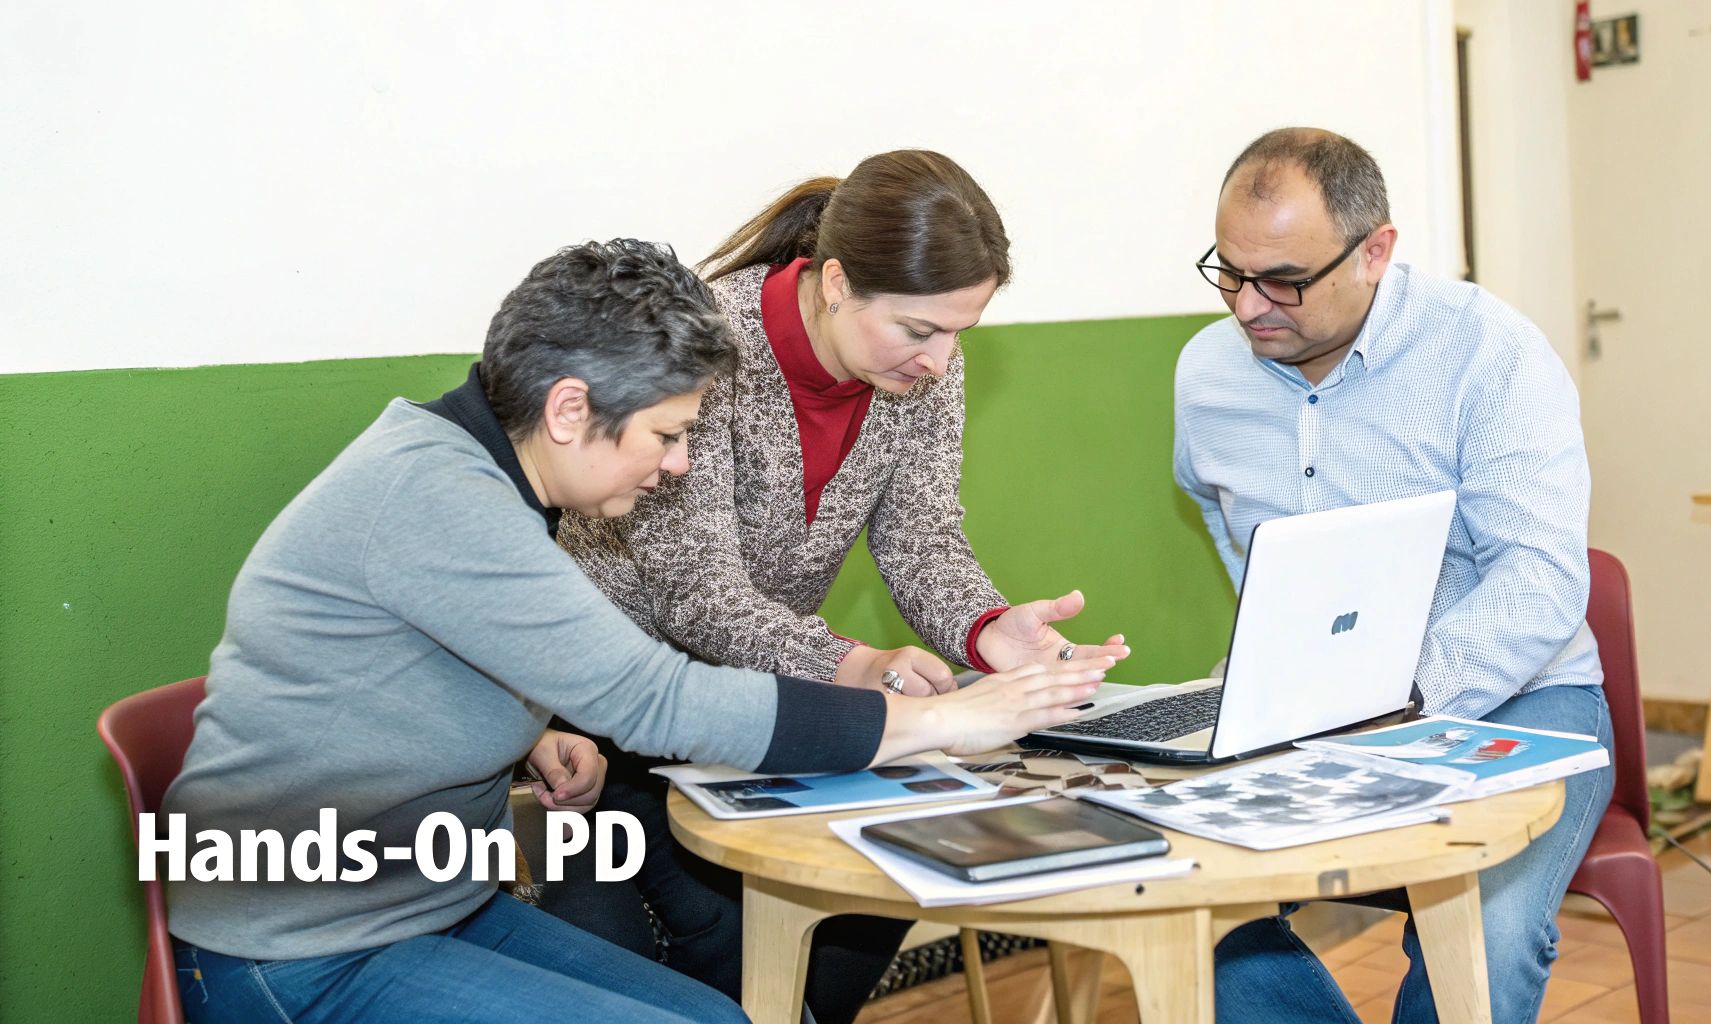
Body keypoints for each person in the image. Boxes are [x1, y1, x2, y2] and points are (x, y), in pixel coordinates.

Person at [160, 239, 1112, 1024]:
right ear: (571, 409)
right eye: (666, 434)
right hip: (303, 954)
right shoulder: (439, 496)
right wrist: (948, 724)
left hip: (430, 905)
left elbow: (394, 662)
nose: (679, 463)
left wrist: (529, 727)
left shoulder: (471, 465)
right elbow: (655, 699)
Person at [546, 151, 1131, 1024]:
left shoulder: (923, 363)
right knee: (652, 970)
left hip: (763, 708)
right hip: (596, 714)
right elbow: (696, 594)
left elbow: (923, 536)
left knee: (851, 918)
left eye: (962, 331)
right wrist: (854, 662)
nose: (940, 360)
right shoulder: (705, 345)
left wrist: (989, 627)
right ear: (834, 283)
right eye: (920, 331)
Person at [1174, 128, 1615, 1024]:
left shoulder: (1488, 353)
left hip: (1523, 696)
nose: (1251, 307)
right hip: (1305, 706)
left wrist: (1398, 694)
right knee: (1187, 905)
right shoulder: (1207, 374)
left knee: (1485, 936)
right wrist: (1283, 681)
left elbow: (1540, 578)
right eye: (1230, 272)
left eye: (1286, 281)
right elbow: (1239, 543)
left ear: (1375, 251)